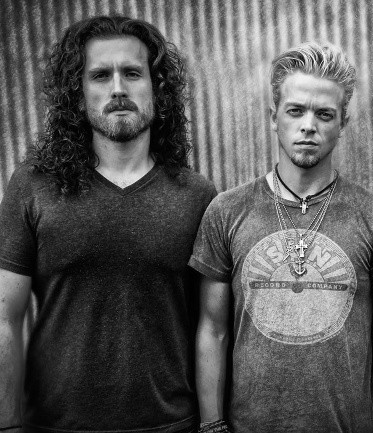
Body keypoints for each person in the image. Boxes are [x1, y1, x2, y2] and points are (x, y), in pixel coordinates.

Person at [0, 15, 216, 433]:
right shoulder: (33, 185)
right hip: (56, 426)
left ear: (157, 89)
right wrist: (7, 425)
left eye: (132, 73)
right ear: (78, 94)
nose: (118, 89)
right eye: (100, 75)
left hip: (172, 425)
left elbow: (212, 327)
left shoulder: (197, 195)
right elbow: (5, 318)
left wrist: (211, 424)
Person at [191, 41, 373, 433]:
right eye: (296, 111)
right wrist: (211, 427)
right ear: (274, 117)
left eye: (324, 114)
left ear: (343, 123)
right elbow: (212, 330)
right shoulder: (227, 211)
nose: (309, 125)